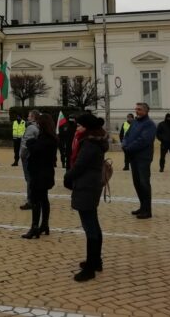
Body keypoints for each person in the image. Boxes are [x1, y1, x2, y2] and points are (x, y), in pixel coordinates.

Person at [63, 113, 109, 282]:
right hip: (90, 185)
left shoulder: (89, 143)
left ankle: (91, 267)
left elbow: (80, 165)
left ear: (87, 128)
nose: (77, 128)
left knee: (90, 226)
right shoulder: (94, 140)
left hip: (86, 186)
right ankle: (96, 261)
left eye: (80, 126)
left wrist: (67, 176)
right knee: (93, 224)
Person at [22, 113, 56, 239]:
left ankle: (35, 227)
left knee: (36, 200)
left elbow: (35, 149)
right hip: (46, 173)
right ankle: (44, 225)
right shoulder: (51, 137)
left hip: (39, 173)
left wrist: (31, 142)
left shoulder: (45, 139)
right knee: (44, 199)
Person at [121, 103, 157, 219]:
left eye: (140, 109)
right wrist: (124, 144)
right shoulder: (135, 122)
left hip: (143, 158)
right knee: (137, 183)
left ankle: (147, 210)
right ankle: (142, 206)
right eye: (136, 109)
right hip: (133, 157)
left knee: (144, 183)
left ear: (146, 111)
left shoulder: (149, 124)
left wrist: (129, 148)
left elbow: (144, 140)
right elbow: (127, 135)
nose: (137, 111)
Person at [19, 110, 40, 210]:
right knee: (32, 179)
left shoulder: (31, 127)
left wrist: (22, 155)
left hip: (28, 157)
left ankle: (30, 201)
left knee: (29, 179)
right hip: (34, 157)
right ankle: (34, 199)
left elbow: (25, 143)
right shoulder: (38, 126)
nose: (27, 118)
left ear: (33, 117)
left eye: (29, 116)